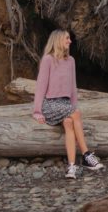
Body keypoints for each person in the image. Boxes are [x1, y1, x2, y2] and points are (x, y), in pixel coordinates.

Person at [32, 29, 104, 179]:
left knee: (69, 122)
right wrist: (37, 111)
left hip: (65, 105)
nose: (70, 41)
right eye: (67, 38)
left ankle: (71, 167)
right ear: (58, 39)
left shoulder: (71, 61)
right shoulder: (48, 59)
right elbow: (41, 86)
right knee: (75, 114)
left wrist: (73, 107)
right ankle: (86, 154)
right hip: (50, 104)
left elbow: (73, 87)